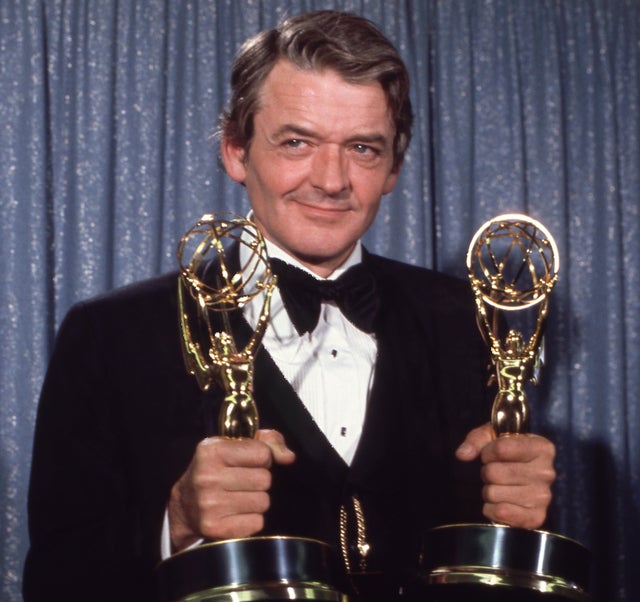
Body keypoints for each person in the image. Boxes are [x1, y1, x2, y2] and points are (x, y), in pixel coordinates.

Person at [23, 10, 556, 602]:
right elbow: (55, 581)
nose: (331, 179)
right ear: (235, 150)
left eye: (362, 148)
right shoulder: (111, 335)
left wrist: (521, 522)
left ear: (394, 169)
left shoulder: (470, 319)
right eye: (297, 142)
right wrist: (177, 524)